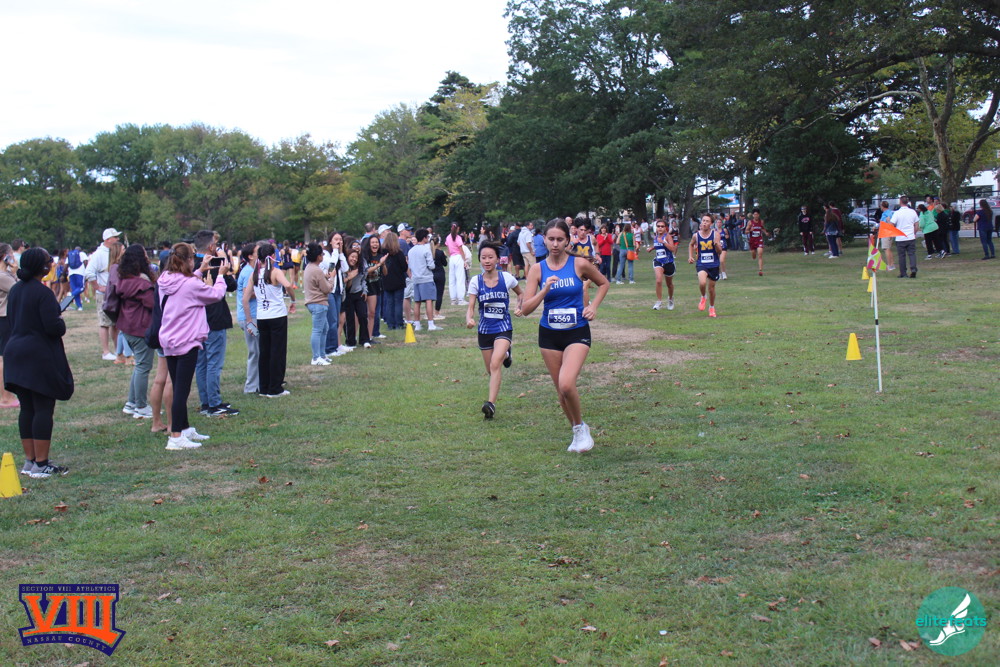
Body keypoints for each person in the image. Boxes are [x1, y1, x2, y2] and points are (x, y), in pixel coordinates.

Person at [521, 218, 610, 452]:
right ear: (544, 240)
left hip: (576, 332)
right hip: (549, 335)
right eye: (551, 239)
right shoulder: (538, 269)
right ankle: (578, 431)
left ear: (567, 241)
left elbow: (603, 283)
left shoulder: (579, 263)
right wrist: (544, 290)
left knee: (567, 384)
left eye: (560, 239)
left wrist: (593, 307)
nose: (555, 244)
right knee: (561, 391)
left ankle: (580, 428)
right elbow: (526, 309)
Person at [4, 248, 74, 478]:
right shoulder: (43, 293)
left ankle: (30, 461)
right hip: (37, 355)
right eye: (48, 261)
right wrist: (60, 319)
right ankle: (42, 464)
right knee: (43, 407)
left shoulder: (16, 290)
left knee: (27, 408)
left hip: (15, 351)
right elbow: (53, 327)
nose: (51, 264)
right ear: (42, 267)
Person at [158, 243, 229, 449]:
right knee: (182, 391)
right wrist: (221, 276)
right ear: (188, 260)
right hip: (186, 339)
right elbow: (215, 295)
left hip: (169, 338)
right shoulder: (189, 284)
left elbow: (184, 287)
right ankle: (176, 436)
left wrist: (199, 271)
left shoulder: (165, 279)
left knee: (178, 385)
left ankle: (184, 428)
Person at [466, 243, 524, 419]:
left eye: (490, 257)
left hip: (503, 327)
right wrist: (469, 319)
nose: (487, 261)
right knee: (491, 370)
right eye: (483, 257)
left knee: (495, 363)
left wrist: (519, 306)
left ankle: (490, 404)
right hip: (484, 331)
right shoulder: (476, 281)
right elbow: (471, 306)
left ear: (497, 259)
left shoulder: (507, 278)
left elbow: (521, 294)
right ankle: (507, 355)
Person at [193, 230, 238, 417]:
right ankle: (214, 403)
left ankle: (206, 402)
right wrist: (224, 266)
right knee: (213, 362)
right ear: (211, 246)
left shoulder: (191, 265)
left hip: (196, 320)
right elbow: (232, 286)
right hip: (215, 318)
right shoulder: (214, 264)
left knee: (202, 363)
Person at [244, 241, 297, 397]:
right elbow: (288, 285)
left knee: (265, 352)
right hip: (277, 315)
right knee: (277, 352)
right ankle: (275, 388)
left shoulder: (255, 274)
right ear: (273, 256)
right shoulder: (275, 272)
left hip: (262, 317)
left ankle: (264, 387)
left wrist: (249, 320)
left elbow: (245, 299)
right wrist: (293, 300)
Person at [115, 244, 156, 419]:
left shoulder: (123, 280)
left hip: (127, 327)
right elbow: (153, 304)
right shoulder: (142, 284)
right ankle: (141, 406)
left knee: (139, 365)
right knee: (143, 367)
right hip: (141, 328)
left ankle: (131, 403)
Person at [85, 227, 123, 360]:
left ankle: (118, 350)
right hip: (104, 294)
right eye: (115, 237)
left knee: (115, 323)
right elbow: (89, 272)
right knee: (104, 322)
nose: (118, 239)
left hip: (114, 292)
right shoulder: (99, 254)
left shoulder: (113, 252)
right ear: (108, 239)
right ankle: (106, 352)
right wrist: (98, 287)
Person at [236, 242, 261, 393]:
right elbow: (247, 295)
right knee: (254, 351)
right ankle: (251, 387)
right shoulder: (248, 273)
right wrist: (263, 290)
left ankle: (258, 383)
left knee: (258, 350)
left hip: (252, 316)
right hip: (249, 317)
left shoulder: (253, 270)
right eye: (258, 251)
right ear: (251, 256)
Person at [303, 242, 334, 365]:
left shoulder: (309, 267)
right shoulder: (317, 270)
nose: (323, 256)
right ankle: (316, 358)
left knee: (324, 328)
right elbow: (326, 289)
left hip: (313, 302)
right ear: (318, 256)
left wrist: (325, 278)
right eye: (322, 254)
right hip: (318, 303)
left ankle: (322, 355)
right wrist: (332, 279)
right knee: (317, 330)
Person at [688, 213, 722, 317]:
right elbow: (691, 244)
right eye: (703, 221)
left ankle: (711, 307)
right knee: (702, 282)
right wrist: (690, 256)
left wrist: (716, 244)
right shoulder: (696, 235)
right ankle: (703, 296)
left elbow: (720, 251)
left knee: (711, 289)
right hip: (701, 263)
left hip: (714, 264)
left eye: (707, 221)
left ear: (711, 224)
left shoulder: (715, 234)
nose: (704, 223)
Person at [322, 232, 349, 357]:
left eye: (340, 239)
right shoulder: (326, 254)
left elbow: (345, 269)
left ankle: (335, 346)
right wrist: (335, 251)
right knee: (331, 320)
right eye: (336, 239)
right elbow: (331, 267)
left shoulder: (338, 254)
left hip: (338, 290)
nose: (339, 241)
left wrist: (341, 253)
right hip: (329, 290)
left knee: (337, 320)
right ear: (330, 241)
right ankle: (329, 349)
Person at [408, 229, 441, 331]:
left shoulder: (411, 250)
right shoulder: (426, 250)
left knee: (417, 302)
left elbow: (410, 265)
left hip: (416, 279)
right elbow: (431, 266)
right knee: (429, 300)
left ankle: (417, 325)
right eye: (427, 237)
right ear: (424, 238)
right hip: (426, 278)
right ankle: (431, 324)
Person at [0, 244, 20, 408]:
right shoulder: (3, 276)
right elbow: (20, 290)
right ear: (5, 256)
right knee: (4, 358)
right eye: (10, 254)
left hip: (4, 318)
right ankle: (6, 397)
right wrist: (15, 271)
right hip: (4, 318)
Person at [342, 248, 371, 348]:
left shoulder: (361, 267)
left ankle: (365, 340)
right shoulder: (344, 268)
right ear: (348, 257)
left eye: (356, 257)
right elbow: (344, 285)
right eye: (352, 257)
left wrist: (364, 290)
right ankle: (350, 342)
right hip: (347, 294)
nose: (354, 259)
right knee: (349, 319)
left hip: (359, 293)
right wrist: (349, 277)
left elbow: (364, 280)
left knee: (363, 316)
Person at [646, 219, 677, 310]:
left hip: (668, 262)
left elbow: (673, 249)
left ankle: (670, 299)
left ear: (665, 228)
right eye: (658, 226)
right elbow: (657, 245)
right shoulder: (656, 236)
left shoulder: (667, 236)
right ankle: (659, 302)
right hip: (658, 261)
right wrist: (652, 248)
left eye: (662, 226)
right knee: (659, 280)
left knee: (669, 284)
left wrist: (664, 242)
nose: (660, 228)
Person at [380, 232, 407, 331]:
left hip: (386, 280)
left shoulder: (382, 253)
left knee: (389, 303)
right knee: (398, 303)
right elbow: (404, 267)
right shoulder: (399, 253)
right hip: (398, 280)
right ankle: (399, 323)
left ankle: (390, 324)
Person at [361, 235, 385, 341]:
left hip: (376, 287)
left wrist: (383, 264)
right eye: (373, 242)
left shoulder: (380, 256)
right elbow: (365, 271)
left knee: (372, 313)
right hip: (365, 287)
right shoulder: (365, 257)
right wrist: (379, 264)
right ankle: (359, 337)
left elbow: (385, 273)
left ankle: (369, 336)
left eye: (377, 242)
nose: (375, 244)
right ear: (369, 244)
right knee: (363, 314)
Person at [890, 196, 919, 278]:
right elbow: (916, 224)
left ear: (900, 202)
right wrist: (914, 233)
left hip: (900, 237)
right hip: (910, 236)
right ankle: (913, 269)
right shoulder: (912, 212)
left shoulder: (897, 213)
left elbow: (892, 224)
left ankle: (903, 273)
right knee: (912, 254)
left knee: (901, 256)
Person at [744, 209, 770, 275]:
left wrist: (766, 232)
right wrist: (750, 230)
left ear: (759, 215)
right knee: (753, 255)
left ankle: (760, 270)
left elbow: (762, 228)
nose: (756, 216)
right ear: (753, 215)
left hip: (759, 239)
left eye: (757, 214)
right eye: (754, 214)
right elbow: (745, 232)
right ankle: (753, 254)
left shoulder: (761, 222)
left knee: (760, 254)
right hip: (752, 240)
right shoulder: (750, 222)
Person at [432, 235, 448, 321]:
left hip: (430, 274)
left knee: (429, 295)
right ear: (438, 243)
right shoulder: (440, 252)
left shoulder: (428, 252)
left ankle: (429, 313)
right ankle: (436, 313)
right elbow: (445, 264)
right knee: (439, 294)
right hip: (439, 274)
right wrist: (444, 256)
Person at [66, 245, 87, 311]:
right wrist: (86, 270)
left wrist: (63, 274)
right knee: (81, 288)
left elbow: (66, 265)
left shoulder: (70, 254)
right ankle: (71, 294)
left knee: (75, 289)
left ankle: (79, 306)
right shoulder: (82, 254)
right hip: (80, 273)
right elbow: (85, 262)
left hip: (71, 273)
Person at [877, 201, 895, 270]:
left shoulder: (886, 214)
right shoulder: (888, 212)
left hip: (886, 233)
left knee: (886, 248)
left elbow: (887, 223)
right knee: (888, 249)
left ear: (882, 206)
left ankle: (890, 265)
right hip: (887, 233)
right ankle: (892, 264)